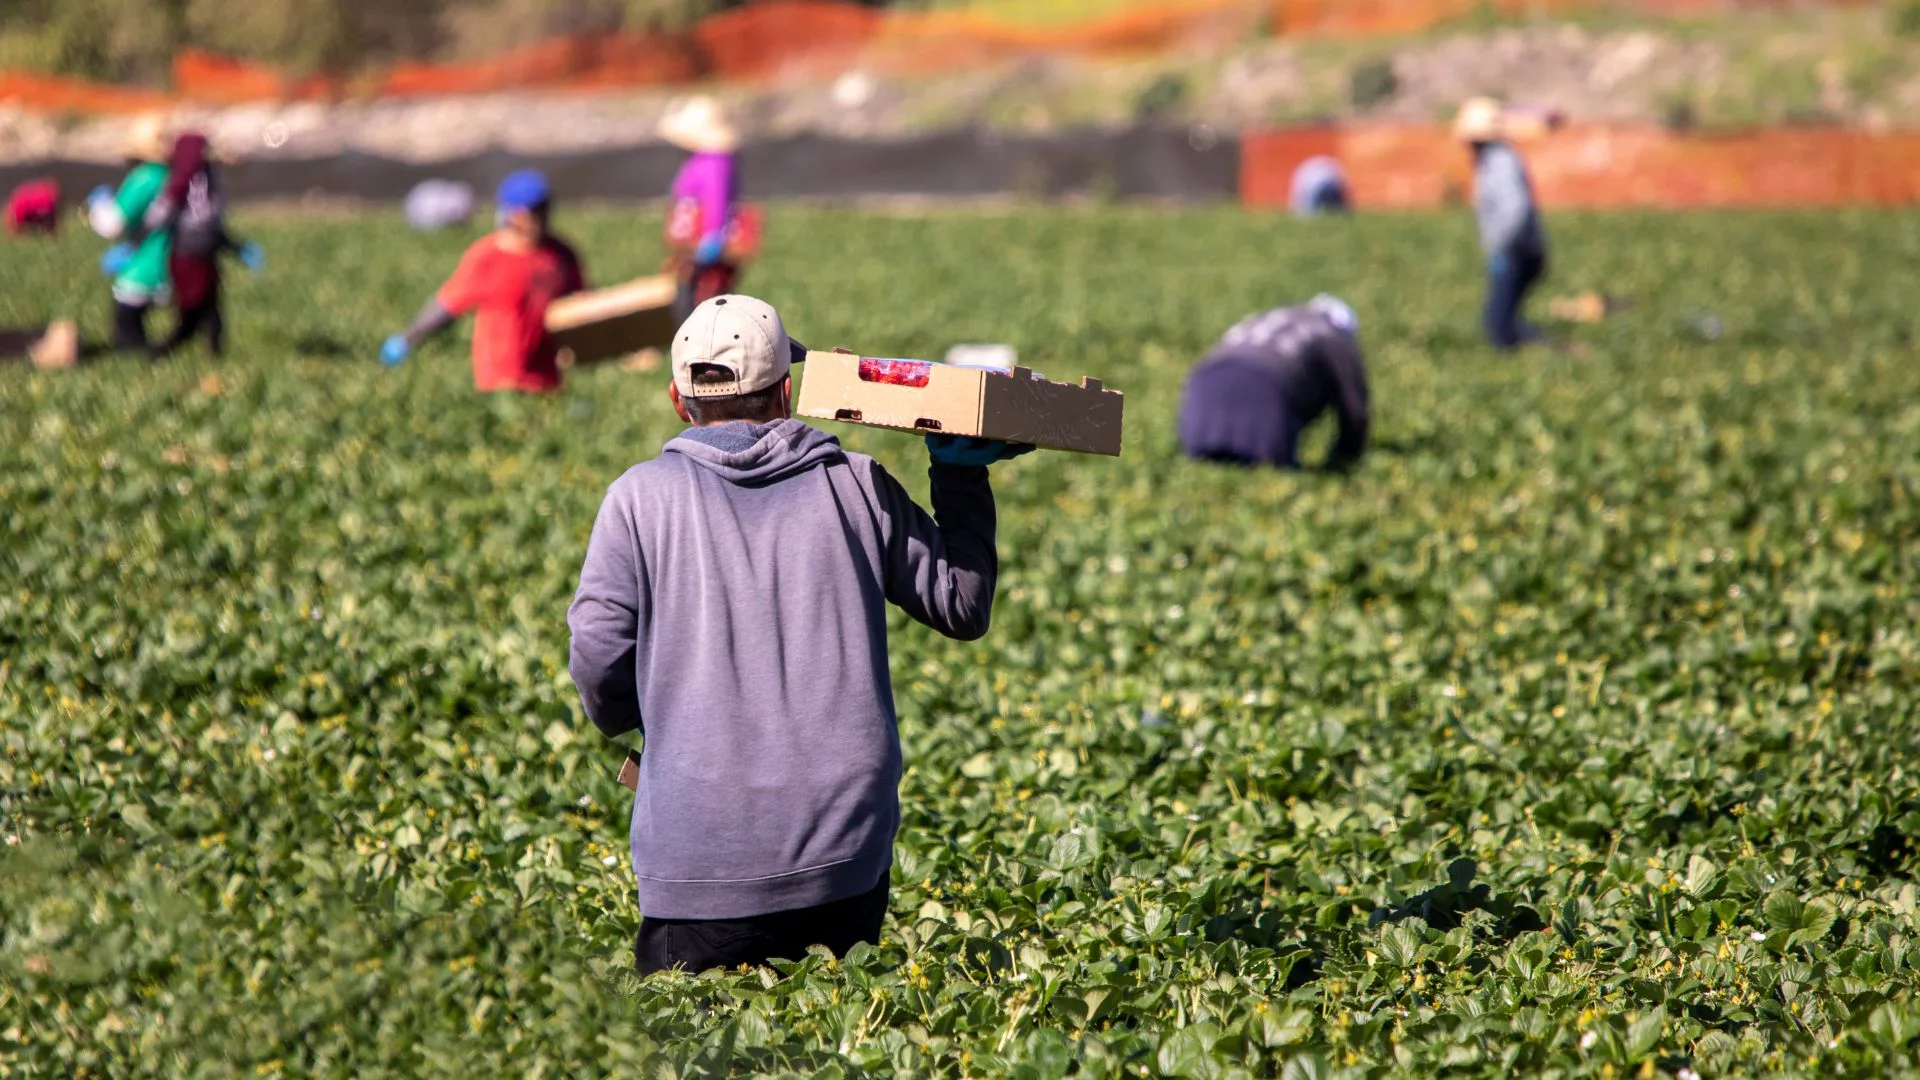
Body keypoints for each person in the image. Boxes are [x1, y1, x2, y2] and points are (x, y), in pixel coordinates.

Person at [566, 294, 1031, 975]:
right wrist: (960, 475)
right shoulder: (857, 485)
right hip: (842, 866)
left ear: (677, 399)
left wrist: (660, 723)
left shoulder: (638, 499)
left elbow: (598, 660)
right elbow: (961, 604)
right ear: (787, 391)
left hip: (697, 868)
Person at [380, 170, 585, 393]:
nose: (540, 219)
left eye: (544, 210)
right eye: (532, 212)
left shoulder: (562, 255)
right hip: (500, 381)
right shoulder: (487, 257)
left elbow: (581, 304)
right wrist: (407, 340)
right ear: (512, 214)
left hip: (548, 381)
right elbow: (446, 307)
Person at [1177, 295, 1369, 471]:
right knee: (1270, 474)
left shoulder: (1265, 318)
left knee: (1204, 468)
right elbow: (1354, 407)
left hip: (1202, 390)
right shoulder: (1334, 334)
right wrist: (1345, 459)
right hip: (1266, 390)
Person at [143, 133, 264, 360]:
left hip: (205, 255)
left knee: (212, 311)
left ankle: (214, 355)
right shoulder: (179, 184)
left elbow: (212, 223)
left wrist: (237, 247)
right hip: (187, 257)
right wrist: (136, 243)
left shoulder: (205, 178)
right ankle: (160, 352)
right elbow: (159, 218)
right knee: (192, 314)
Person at [1455, 97, 1549, 351]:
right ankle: (1537, 348)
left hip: (1515, 252)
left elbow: (1515, 208)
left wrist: (1502, 244)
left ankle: (1546, 348)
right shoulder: (1490, 160)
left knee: (1499, 326)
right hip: (1512, 250)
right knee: (1500, 322)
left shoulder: (1500, 162)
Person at [86, 115, 173, 354]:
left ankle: (139, 354)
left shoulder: (144, 177)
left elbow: (112, 223)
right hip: (175, 264)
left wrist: (98, 206)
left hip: (144, 268)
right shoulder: (174, 176)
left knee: (126, 330)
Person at [660, 96, 742, 325]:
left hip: (705, 250)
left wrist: (712, 239)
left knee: (702, 308)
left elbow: (717, 200)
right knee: (688, 302)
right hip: (692, 248)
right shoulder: (701, 160)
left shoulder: (715, 162)